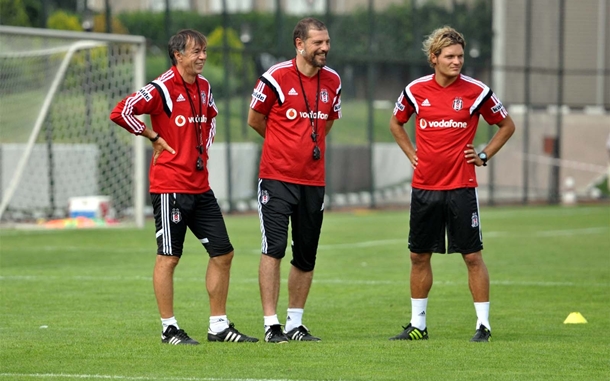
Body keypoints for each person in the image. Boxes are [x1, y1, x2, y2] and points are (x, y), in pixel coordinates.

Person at [110, 29, 258, 345]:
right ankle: (169, 328)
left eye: (204, 51)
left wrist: (202, 146)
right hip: (169, 187)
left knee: (223, 253)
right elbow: (121, 111)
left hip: (200, 187)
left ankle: (218, 326)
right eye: (196, 51)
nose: (203, 56)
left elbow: (212, 116)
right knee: (169, 257)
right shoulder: (161, 88)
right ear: (178, 55)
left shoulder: (204, 87)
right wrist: (151, 136)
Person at [388, 26, 515, 342]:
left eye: (460, 56)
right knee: (419, 256)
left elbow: (506, 125)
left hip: (461, 187)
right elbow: (396, 123)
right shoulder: (415, 90)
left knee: (472, 256)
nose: (457, 62)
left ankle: (483, 326)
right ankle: (418, 325)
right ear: (434, 58)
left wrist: (483, 154)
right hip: (425, 188)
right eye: (450, 56)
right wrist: (411, 154)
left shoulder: (477, 92)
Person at [247, 17, 342, 343]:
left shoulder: (333, 81)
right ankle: (271, 324)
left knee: (305, 253)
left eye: (327, 42)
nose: (325, 48)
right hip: (276, 178)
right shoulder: (275, 78)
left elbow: (326, 124)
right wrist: (282, 146)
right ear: (299, 44)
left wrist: (306, 144)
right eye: (318, 43)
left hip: (314, 181)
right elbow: (255, 120)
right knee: (273, 249)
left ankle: (295, 324)